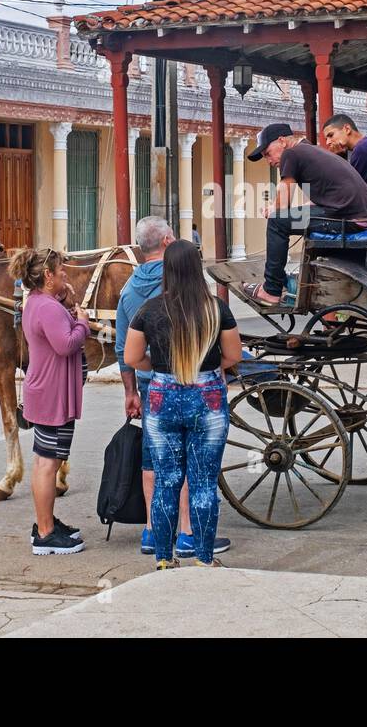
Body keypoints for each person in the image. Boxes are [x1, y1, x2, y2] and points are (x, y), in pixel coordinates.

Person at [115, 216, 231, 558]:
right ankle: (188, 534)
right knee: (194, 467)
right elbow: (231, 352)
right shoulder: (199, 297)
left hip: (155, 390)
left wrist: (131, 391)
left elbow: (126, 351)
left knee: (156, 463)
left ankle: (153, 533)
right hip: (198, 387)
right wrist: (207, 367)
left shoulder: (129, 291)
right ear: (167, 242)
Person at [244, 122, 367, 307]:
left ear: (282, 141)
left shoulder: (291, 154)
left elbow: (283, 203)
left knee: (277, 222)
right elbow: (321, 198)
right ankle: (293, 280)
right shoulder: (310, 150)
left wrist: (271, 208)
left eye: (267, 153)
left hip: (349, 216)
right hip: (361, 214)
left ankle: (271, 290)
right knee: (290, 218)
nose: (268, 160)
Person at [12, 247, 89, 555]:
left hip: (48, 391)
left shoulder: (40, 303)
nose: (65, 276)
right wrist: (82, 321)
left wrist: (67, 302)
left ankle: (46, 523)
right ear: (47, 276)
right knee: (47, 462)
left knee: (48, 459)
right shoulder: (46, 307)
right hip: (51, 394)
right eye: (61, 272)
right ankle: (45, 533)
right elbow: (66, 344)